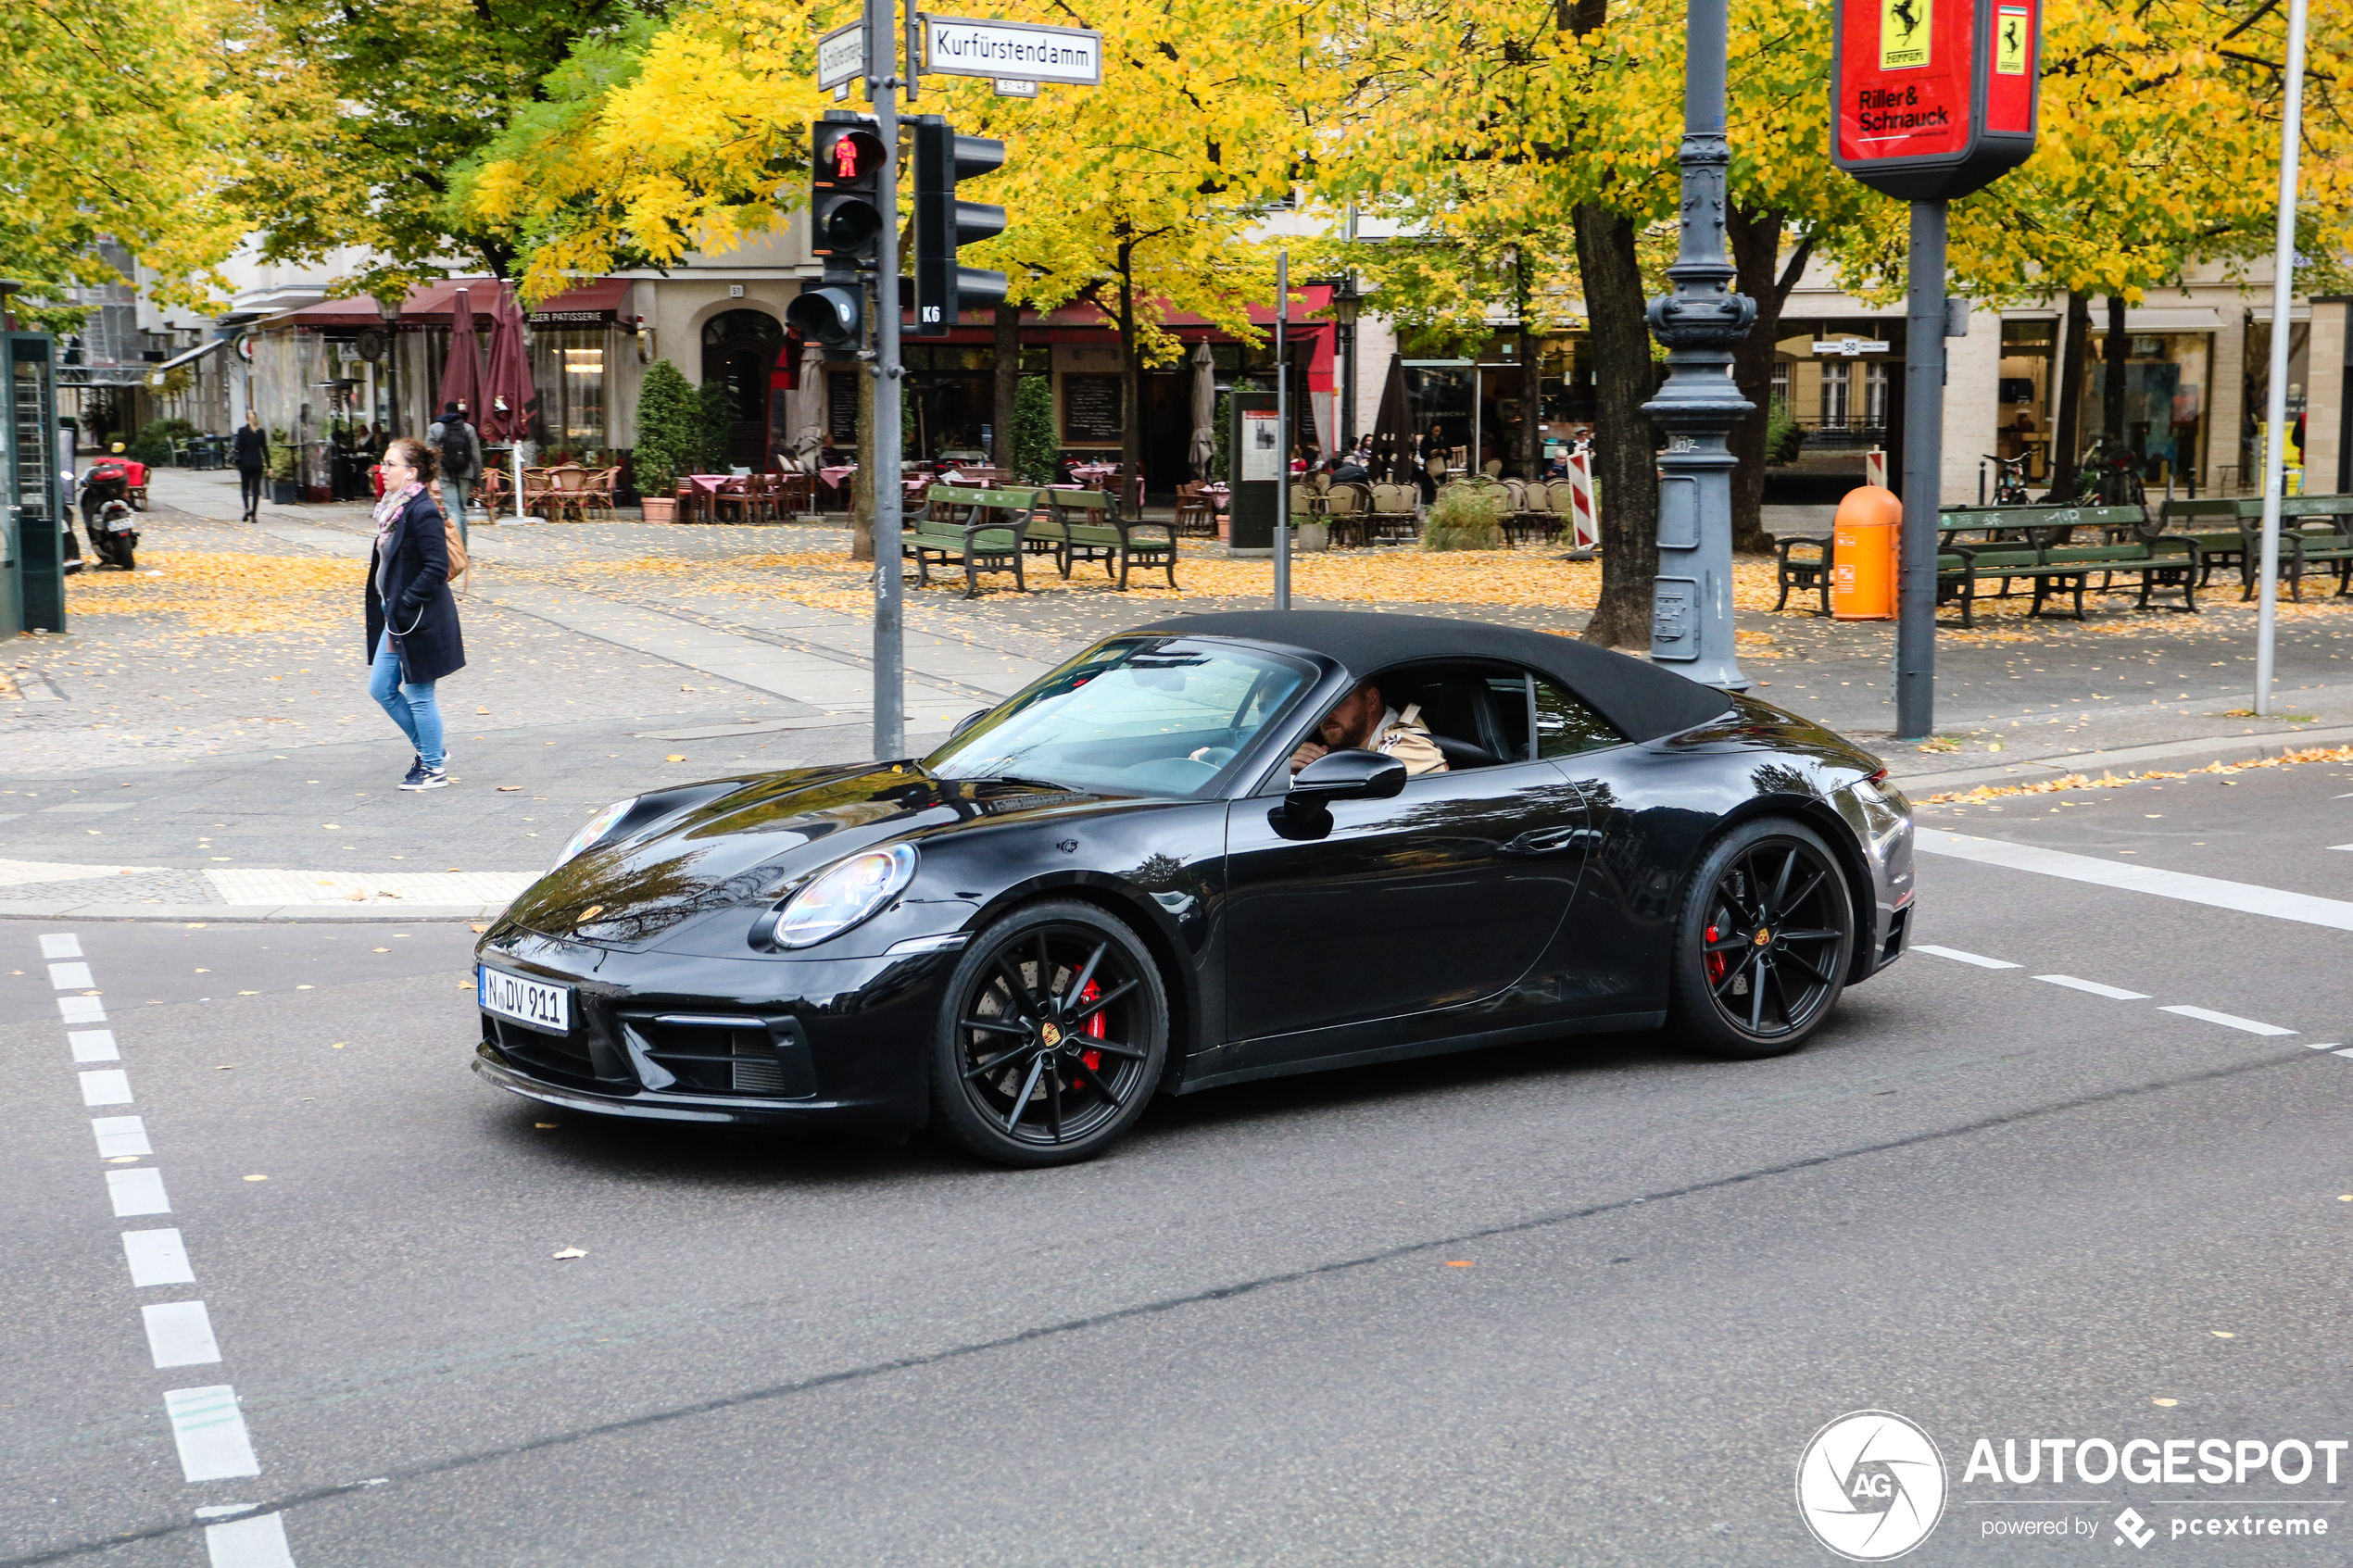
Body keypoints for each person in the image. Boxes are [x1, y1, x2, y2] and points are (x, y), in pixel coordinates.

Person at [368, 437, 466, 790]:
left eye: (391, 464)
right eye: (383, 463)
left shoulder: (422, 511)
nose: (383, 469)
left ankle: (433, 768)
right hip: (397, 616)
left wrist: (406, 602)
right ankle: (431, 749)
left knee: (419, 693)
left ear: (411, 473)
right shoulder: (394, 509)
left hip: (419, 618)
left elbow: (436, 567)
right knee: (381, 687)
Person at [1288, 680, 1447, 777]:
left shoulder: (1409, 745)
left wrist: (1314, 771)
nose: (1327, 714)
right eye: (1322, 705)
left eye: (1339, 701)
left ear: (1372, 699)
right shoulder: (1345, 742)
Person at [426, 402, 480, 540]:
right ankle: (463, 552)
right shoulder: (469, 429)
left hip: (445, 473)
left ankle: (456, 551)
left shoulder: (435, 428)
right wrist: (478, 482)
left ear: (444, 411)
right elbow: (476, 457)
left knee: (452, 511)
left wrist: (429, 476)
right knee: (461, 511)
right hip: (466, 473)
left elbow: (428, 452)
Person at [232, 411, 268, 521]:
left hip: (245, 462)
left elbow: (238, 447)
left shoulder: (242, 431)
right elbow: (264, 449)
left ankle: (247, 508)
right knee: (256, 489)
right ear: (256, 418)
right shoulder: (260, 432)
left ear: (246, 418)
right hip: (257, 462)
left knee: (245, 487)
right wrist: (269, 466)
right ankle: (254, 515)